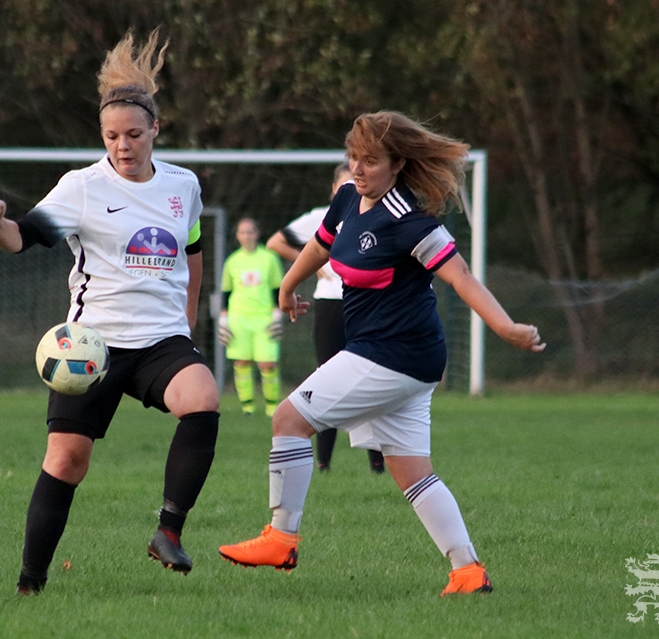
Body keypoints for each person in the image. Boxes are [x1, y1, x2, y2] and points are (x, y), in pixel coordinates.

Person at [218, 111, 545, 596]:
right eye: (353, 157)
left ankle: (281, 539)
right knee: (411, 471)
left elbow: (460, 276)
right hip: (402, 358)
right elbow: (320, 246)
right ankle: (467, 571)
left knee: (288, 419)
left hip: (392, 355)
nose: (358, 168)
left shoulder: (409, 222)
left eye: (370, 160)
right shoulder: (348, 199)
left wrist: (505, 326)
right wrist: (287, 287)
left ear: (397, 164)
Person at [0, 29, 220, 594]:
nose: (122, 146)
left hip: (161, 341)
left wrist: (188, 319)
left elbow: (192, 249)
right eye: (112, 136)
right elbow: (21, 238)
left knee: (203, 398)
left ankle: (169, 532)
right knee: (67, 461)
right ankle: (30, 583)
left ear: (155, 130)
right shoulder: (81, 187)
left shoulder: (183, 185)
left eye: (133, 134)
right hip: (93, 345)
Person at [266, 164, 385, 474]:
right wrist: (313, 264)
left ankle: (378, 464)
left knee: (369, 380)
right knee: (327, 377)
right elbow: (275, 242)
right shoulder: (321, 217)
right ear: (334, 190)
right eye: (345, 185)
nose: (352, 190)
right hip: (331, 304)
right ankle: (324, 464)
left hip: (367, 305)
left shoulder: (378, 215)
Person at [219, 218, 284, 417]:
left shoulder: (269, 258)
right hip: (239, 316)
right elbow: (226, 291)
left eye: (250, 231)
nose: (247, 236)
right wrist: (223, 317)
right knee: (242, 362)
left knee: (267, 364)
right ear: (237, 235)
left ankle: (272, 407)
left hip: (264, 317)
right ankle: (247, 407)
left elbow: (277, 288)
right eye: (243, 232)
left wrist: (277, 312)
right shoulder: (232, 261)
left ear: (257, 233)